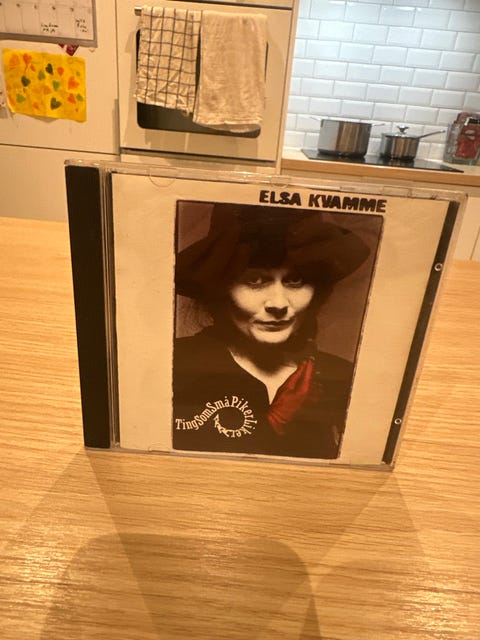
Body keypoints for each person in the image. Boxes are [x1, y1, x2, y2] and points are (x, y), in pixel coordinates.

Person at [172, 202, 372, 459]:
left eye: (295, 280)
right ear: (221, 288)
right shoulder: (175, 366)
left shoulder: (344, 379)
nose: (278, 303)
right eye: (255, 280)